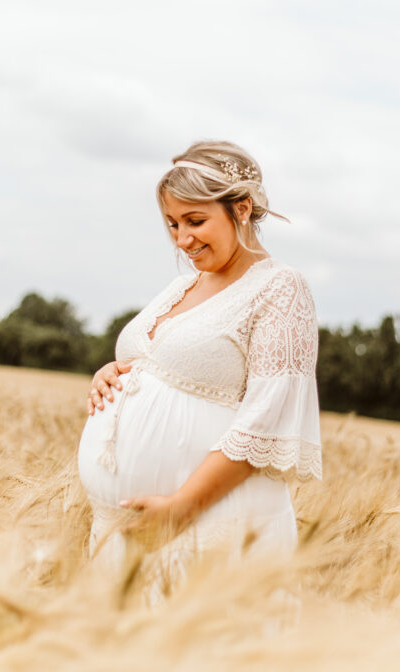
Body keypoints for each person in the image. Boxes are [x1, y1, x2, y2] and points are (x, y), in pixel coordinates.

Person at [77, 141, 322, 596]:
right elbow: (156, 365)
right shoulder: (181, 286)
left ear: (242, 208)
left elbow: (266, 418)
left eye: (195, 221)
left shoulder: (280, 289)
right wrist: (111, 373)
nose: (181, 239)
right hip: (127, 534)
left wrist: (181, 508)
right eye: (172, 224)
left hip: (210, 527)